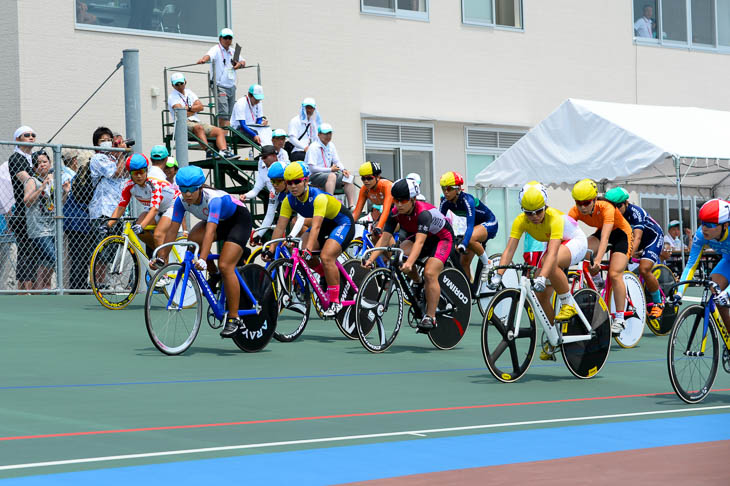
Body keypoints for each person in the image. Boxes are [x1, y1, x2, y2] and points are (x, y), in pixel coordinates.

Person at [153, 166, 253, 338]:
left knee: (226, 265)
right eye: (184, 190)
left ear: (200, 187)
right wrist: (162, 257)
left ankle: (234, 318)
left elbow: (210, 232)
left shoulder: (213, 199)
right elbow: (171, 230)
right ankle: (214, 276)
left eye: (192, 190)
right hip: (218, 222)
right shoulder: (180, 200)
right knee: (192, 240)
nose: (188, 194)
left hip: (238, 221)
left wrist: (203, 258)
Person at [491, 182, 587, 359]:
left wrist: (543, 276)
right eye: (529, 213)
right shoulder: (520, 221)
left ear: (546, 207)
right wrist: (498, 275)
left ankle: (567, 303)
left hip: (575, 241)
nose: (534, 216)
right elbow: (510, 249)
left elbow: (552, 254)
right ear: (523, 211)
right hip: (554, 245)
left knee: (548, 266)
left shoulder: (555, 218)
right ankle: (554, 338)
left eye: (538, 211)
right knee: (541, 297)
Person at [363, 178, 454, 332]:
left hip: (441, 239)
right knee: (398, 255)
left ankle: (430, 317)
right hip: (422, 237)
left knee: (430, 273)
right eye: (396, 200)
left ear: (412, 200)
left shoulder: (424, 213)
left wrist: (410, 263)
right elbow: (384, 239)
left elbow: (419, 243)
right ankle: (418, 283)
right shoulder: (395, 213)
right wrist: (370, 258)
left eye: (403, 201)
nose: (398, 205)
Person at [265, 162, 355, 317]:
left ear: (306, 181)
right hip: (324, 225)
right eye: (289, 183)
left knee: (326, 256)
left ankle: (335, 302)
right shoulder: (288, 201)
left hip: (341, 223)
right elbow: (280, 228)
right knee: (303, 255)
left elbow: (316, 227)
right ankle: (326, 276)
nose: (293, 186)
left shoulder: (318, 197)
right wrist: (271, 249)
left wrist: (308, 250)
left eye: (297, 182)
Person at [569, 179, 633, 334]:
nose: (582, 207)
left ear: (595, 199)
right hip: (602, 233)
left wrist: (597, 261)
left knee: (614, 273)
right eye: (579, 203)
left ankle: (619, 318)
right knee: (581, 249)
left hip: (621, 235)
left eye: (587, 203)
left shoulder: (606, 207)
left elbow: (605, 237)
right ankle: (596, 281)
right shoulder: (574, 211)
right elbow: (566, 236)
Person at [605, 187, 665, 318]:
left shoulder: (636, 213)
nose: (616, 210)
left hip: (652, 238)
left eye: (618, 206)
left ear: (626, 203)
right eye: (612, 206)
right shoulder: (611, 214)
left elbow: (637, 238)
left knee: (644, 269)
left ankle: (658, 302)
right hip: (634, 239)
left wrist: (628, 255)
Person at [674, 199, 730, 338]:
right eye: (703, 223)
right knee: (716, 291)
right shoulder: (701, 235)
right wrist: (679, 293)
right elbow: (691, 266)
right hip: (728, 260)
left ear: (725, 225)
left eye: (710, 224)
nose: (704, 228)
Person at [105, 154, 180, 252]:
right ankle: (159, 253)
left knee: (158, 235)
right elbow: (121, 207)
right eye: (135, 173)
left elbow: (154, 209)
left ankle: (163, 259)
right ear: (130, 173)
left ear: (147, 171)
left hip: (172, 206)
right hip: (157, 208)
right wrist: (108, 225)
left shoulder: (154, 184)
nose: (139, 176)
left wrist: (142, 226)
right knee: (140, 230)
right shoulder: (128, 186)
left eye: (141, 172)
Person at [438, 171, 498, 283]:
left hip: (490, 223)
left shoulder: (467, 200)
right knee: (463, 263)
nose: (446, 192)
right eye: (443, 189)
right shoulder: (445, 202)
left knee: (469, 239)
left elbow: (469, 226)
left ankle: (487, 263)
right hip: (476, 226)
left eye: (449, 189)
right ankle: (470, 292)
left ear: (458, 189)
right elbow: (439, 223)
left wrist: (464, 244)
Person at [24, 150, 69, 290]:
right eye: (38, 163)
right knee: (54, 258)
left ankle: (43, 288)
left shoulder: (53, 181)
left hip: (52, 227)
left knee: (45, 263)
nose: (42, 165)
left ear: (50, 163)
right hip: (39, 228)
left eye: (45, 162)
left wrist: (65, 192)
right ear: (34, 168)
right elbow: (27, 201)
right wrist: (41, 187)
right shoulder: (32, 180)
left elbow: (58, 205)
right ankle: (51, 287)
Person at [167, 73, 236, 159]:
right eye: (177, 84)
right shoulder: (172, 96)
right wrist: (193, 109)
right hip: (182, 123)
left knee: (219, 131)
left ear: (185, 82)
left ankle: (224, 151)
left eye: (181, 83)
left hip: (195, 121)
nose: (179, 86)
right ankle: (208, 152)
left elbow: (201, 107)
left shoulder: (189, 92)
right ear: (173, 85)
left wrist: (188, 108)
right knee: (198, 128)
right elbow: (181, 112)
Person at [7, 126, 38, 291]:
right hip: (23, 210)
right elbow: (24, 178)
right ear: (18, 139)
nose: (31, 137)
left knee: (34, 250)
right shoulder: (16, 158)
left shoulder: (34, 158)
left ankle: (33, 287)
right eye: (27, 135)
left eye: (33, 135)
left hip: (36, 212)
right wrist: (35, 179)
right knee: (26, 250)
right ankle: (24, 289)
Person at [196, 28, 246, 128]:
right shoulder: (216, 49)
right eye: (225, 37)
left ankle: (224, 135)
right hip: (219, 86)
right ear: (220, 38)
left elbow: (243, 61)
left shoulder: (233, 51)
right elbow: (208, 56)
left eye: (230, 38)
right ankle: (223, 137)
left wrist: (239, 64)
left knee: (230, 113)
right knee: (223, 113)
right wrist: (203, 60)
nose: (228, 40)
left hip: (231, 86)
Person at [304, 123, 357, 208]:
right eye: (325, 133)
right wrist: (330, 170)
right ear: (319, 134)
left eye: (330, 133)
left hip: (327, 175)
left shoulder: (331, 145)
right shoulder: (313, 147)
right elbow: (312, 168)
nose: (328, 136)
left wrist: (344, 170)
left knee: (349, 177)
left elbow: (337, 161)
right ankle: (330, 203)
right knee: (332, 176)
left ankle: (351, 206)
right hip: (313, 176)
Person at [351, 161, 393, 237]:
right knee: (374, 234)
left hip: (398, 209)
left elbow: (386, 210)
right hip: (389, 210)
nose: (366, 181)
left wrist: (379, 227)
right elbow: (357, 211)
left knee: (383, 230)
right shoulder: (364, 189)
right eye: (363, 178)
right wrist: (347, 223)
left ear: (377, 177)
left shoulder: (386, 186)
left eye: (369, 178)